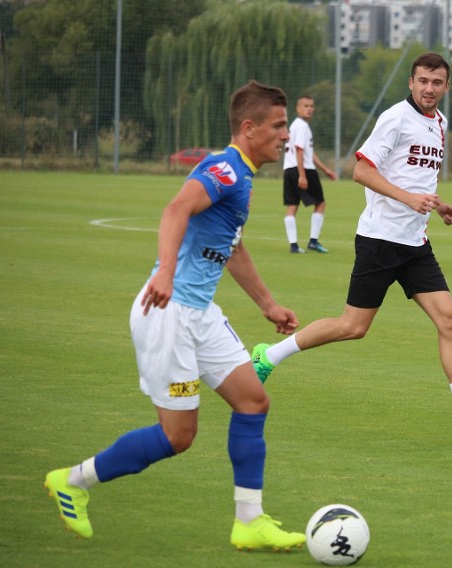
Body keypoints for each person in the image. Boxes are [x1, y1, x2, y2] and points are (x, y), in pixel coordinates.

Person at [45, 80, 307, 552]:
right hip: (168, 313)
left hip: (200, 313)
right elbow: (175, 209)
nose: (286, 135)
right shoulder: (225, 169)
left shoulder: (241, 176)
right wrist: (164, 273)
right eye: (278, 125)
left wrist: (267, 304)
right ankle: (73, 480)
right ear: (249, 128)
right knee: (178, 436)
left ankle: (249, 521)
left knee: (253, 401)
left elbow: (231, 244)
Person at [251, 52, 452, 439]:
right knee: (353, 327)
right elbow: (360, 170)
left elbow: (416, 176)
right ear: (411, 82)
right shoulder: (394, 118)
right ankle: (268, 355)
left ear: (446, 86)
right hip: (380, 240)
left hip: (415, 242)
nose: (429, 88)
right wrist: (408, 199)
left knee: (451, 319)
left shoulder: (440, 123)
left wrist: (438, 206)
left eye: (437, 82)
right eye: (422, 80)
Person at [283, 95, 337, 254]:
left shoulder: (294, 126)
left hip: (289, 169)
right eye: (306, 106)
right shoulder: (302, 126)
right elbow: (300, 150)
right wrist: (302, 175)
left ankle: (293, 245)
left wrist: (326, 170)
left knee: (292, 206)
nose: (309, 109)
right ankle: (313, 241)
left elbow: (307, 152)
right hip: (303, 169)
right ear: (298, 108)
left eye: (311, 106)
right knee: (320, 203)